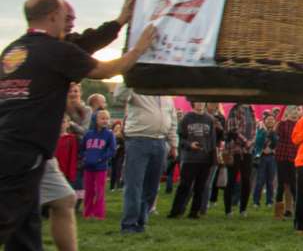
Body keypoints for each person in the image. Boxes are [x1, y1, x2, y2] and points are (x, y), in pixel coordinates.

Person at [1, 0, 153, 251]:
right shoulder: (54, 51)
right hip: (23, 148)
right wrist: (141, 46)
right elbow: (108, 70)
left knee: (50, 206)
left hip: (20, 146)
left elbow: (78, 46)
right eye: (65, 18)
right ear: (53, 16)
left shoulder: (14, 51)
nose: (69, 26)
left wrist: (120, 21)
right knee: (7, 218)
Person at [119, 90, 175, 234]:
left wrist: (174, 143)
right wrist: (128, 76)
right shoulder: (136, 89)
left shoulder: (166, 94)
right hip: (138, 139)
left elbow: (172, 118)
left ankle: (141, 221)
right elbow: (119, 96)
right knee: (134, 185)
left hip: (160, 141)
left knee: (151, 187)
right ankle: (129, 224)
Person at [167, 108, 219, 219]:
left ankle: (194, 212)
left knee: (200, 188)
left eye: (202, 102)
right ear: (193, 103)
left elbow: (213, 140)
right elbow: (179, 138)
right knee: (184, 186)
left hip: (205, 159)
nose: (200, 104)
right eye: (198, 101)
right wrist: (189, 145)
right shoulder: (187, 118)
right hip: (189, 158)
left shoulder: (209, 119)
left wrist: (212, 156)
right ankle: (176, 212)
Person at [79, 108, 116, 219]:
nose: (105, 121)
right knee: (89, 190)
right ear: (96, 120)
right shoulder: (88, 134)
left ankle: (99, 213)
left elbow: (112, 150)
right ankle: (87, 212)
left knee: (99, 190)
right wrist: (85, 157)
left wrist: (102, 159)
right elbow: (82, 148)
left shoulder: (109, 135)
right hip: (88, 167)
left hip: (101, 167)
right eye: (102, 118)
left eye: (107, 119)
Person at [219, 104, 254, 216]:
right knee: (232, 179)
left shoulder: (251, 110)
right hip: (235, 150)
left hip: (248, 150)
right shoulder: (234, 110)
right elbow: (232, 131)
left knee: (246, 180)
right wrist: (245, 141)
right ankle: (228, 210)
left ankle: (243, 209)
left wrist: (251, 141)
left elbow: (254, 129)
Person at [272, 106, 300, 221]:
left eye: (296, 112)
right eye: (292, 112)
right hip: (282, 156)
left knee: (293, 184)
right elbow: (275, 133)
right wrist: (279, 121)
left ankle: (296, 210)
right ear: (288, 113)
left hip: (293, 157)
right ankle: (279, 213)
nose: (294, 114)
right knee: (282, 184)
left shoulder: (300, 124)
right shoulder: (283, 124)